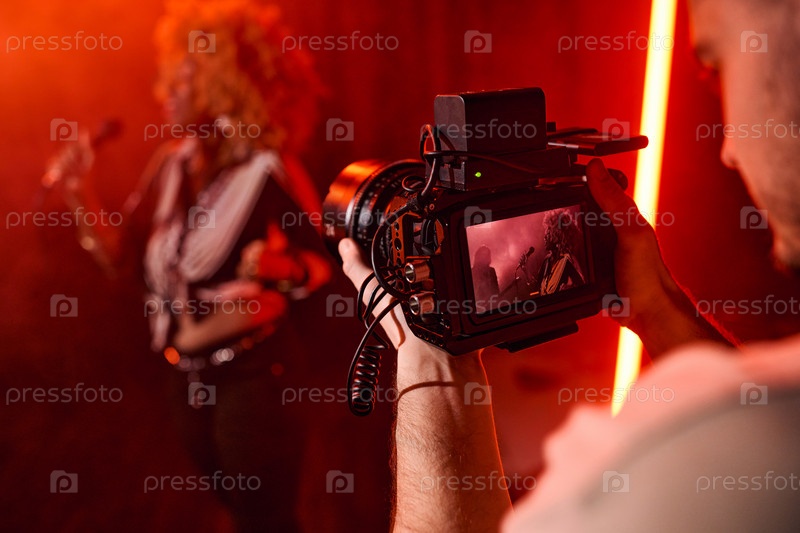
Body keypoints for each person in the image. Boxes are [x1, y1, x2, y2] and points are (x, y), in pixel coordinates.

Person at [337, 0, 800, 530]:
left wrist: (431, 356)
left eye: (715, 65)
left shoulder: (655, 462)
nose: (730, 150)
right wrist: (660, 308)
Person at [52, 1, 330, 530]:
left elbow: (322, 264)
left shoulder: (267, 167)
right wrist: (79, 193)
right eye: (169, 80)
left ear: (224, 85)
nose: (167, 93)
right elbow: (118, 258)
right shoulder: (170, 165)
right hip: (186, 380)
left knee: (264, 520)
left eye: (183, 81)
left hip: (255, 374)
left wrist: (280, 267)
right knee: (235, 510)